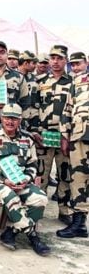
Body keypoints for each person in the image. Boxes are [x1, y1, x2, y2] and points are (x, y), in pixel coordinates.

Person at [0, 104, 51, 256]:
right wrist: (2, 179)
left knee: (40, 198)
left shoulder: (27, 139)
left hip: (21, 181)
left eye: (14, 118)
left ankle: (12, 232)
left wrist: (26, 179)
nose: (10, 122)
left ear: (20, 120)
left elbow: (33, 164)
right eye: (7, 118)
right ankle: (33, 236)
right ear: (1, 117)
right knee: (11, 198)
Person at [31, 45, 73, 224]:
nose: (55, 62)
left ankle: (64, 210)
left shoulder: (72, 83)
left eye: (59, 58)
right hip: (44, 135)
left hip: (65, 136)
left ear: (65, 60)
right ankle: (36, 211)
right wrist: (34, 131)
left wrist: (69, 134)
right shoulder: (38, 81)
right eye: (52, 58)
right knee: (41, 174)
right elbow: (32, 107)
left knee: (65, 174)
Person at [56, 68, 89, 238]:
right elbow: (67, 109)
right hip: (80, 138)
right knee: (78, 180)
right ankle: (79, 223)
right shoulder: (78, 81)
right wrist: (64, 136)